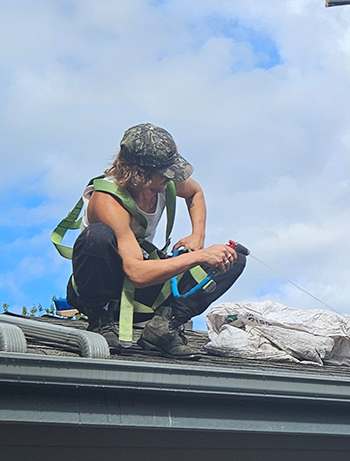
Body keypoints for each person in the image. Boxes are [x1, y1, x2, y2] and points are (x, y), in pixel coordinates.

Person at [54, 123, 245, 357]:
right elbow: (136, 272)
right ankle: (100, 320)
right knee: (98, 237)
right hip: (106, 284)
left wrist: (198, 236)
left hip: (142, 286)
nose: (171, 177)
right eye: (164, 172)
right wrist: (200, 256)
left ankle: (163, 328)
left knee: (232, 260)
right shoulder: (107, 200)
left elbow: (196, 192)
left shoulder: (164, 182)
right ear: (139, 172)